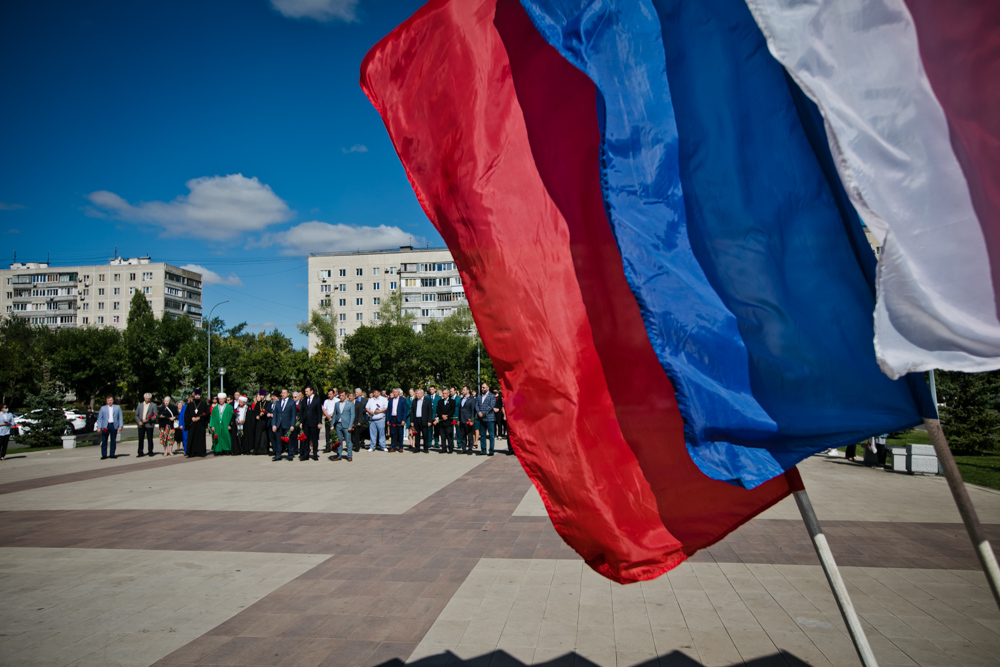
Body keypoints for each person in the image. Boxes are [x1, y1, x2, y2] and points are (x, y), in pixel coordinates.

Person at [271, 388, 296, 461]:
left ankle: (290, 454)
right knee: (278, 441)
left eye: (284, 393)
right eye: (282, 393)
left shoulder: (291, 402)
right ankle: (278, 455)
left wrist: (292, 425)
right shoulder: (278, 402)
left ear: (288, 394)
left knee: (289, 440)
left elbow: (293, 415)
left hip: (287, 424)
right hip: (279, 424)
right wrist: (274, 424)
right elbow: (275, 414)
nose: (283, 394)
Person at [300, 386, 323, 461]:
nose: (306, 393)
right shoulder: (304, 400)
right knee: (306, 439)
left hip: (314, 422)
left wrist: (319, 422)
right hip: (306, 423)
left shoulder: (317, 400)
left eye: (307, 391)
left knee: (314, 439)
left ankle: (315, 454)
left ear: (311, 391)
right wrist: (301, 422)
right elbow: (302, 412)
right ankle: (306, 454)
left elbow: (319, 412)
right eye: (305, 391)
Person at [185, 389, 209, 457]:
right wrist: (191, 418)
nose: (197, 396)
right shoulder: (190, 405)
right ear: (194, 395)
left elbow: (206, 413)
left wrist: (199, 418)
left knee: (200, 438)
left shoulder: (203, 404)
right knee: (192, 437)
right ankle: (192, 452)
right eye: (196, 395)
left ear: (200, 395)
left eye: (198, 395)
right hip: (192, 424)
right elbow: (186, 414)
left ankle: (201, 452)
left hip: (200, 424)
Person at [332, 390, 354, 461]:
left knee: (348, 441)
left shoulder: (350, 404)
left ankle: (349, 455)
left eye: (342, 395)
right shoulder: (337, 404)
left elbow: (352, 415)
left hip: (346, 425)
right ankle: (339, 455)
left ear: (346, 396)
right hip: (338, 424)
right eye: (340, 395)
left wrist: (350, 425)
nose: (341, 397)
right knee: (339, 441)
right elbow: (335, 415)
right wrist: (332, 424)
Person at [135, 393, 158, 457]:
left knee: (150, 438)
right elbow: (136, 415)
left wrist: (148, 420)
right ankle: (140, 452)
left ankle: (150, 451)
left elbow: (155, 415)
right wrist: (139, 421)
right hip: (141, 424)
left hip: (149, 424)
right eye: (146, 398)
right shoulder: (140, 405)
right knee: (140, 439)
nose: (147, 399)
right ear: (144, 398)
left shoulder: (153, 405)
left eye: (148, 398)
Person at [476, 382, 497, 456]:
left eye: (483, 387)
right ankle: (483, 450)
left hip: (489, 418)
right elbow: (477, 405)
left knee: (491, 435)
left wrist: (483, 413)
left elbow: (491, 406)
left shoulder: (491, 396)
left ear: (488, 388)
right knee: (482, 435)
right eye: (482, 387)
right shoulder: (479, 396)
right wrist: (478, 412)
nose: (482, 389)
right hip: (481, 419)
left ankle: (491, 450)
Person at [386, 388, 408, 453]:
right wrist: (388, 420)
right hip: (392, 418)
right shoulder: (390, 400)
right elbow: (388, 410)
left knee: (400, 433)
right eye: (394, 392)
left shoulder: (402, 400)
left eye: (396, 392)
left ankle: (401, 447)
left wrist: (403, 420)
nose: (395, 393)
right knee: (393, 433)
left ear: (398, 393)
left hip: (399, 418)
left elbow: (405, 411)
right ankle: (393, 447)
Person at [410, 388, 431, 453]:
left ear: (422, 394)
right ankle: (417, 448)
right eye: (416, 393)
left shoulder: (427, 400)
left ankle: (425, 448)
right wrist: (412, 421)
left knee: (425, 435)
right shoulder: (414, 401)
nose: (416, 395)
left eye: (418, 393)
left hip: (424, 420)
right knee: (417, 435)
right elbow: (412, 412)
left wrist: (429, 421)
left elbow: (430, 411)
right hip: (416, 420)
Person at [436, 388, 456, 453]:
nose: (444, 395)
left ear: (448, 394)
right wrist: (442, 415)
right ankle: (443, 448)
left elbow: (452, 410)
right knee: (442, 436)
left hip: (448, 421)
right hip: (442, 421)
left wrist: (447, 416)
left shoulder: (452, 401)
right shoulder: (440, 401)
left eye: (445, 393)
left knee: (449, 436)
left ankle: (450, 448)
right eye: (443, 393)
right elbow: (438, 410)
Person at [458, 386, 475, 454]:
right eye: (462, 389)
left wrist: (472, 419)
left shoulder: (472, 399)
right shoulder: (461, 399)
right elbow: (460, 410)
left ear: (468, 391)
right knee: (462, 435)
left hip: (468, 420)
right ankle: (463, 448)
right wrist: (458, 419)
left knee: (469, 435)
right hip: (462, 419)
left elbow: (473, 410)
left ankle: (470, 449)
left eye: (464, 389)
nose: (462, 391)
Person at [322, 388, 339, 453]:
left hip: (335, 418)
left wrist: (333, 416)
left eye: (331, 394)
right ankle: (328, 447)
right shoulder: (326, 401)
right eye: (328, 394)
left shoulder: (337, 400)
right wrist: (328, 416)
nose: (329, 395)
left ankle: (335, 446)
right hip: (328, 418)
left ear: (334, 394)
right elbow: (324, 409)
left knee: (335, 433)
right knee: (328, 433)